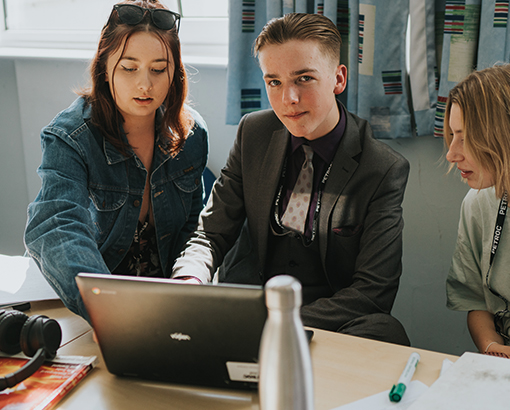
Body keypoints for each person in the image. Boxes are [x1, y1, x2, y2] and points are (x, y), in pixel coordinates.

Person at [173, 13, 410, 345]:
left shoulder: (382, 168)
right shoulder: (253, 133)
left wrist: (279, 323)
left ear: (338, 79)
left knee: (387, 332)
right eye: (274, 82)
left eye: (304, 79)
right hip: (249, 304)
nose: (289, 99)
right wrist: (189, 278)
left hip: (327, 320)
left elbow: (374, 290)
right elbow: (210, 233)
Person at [24, 0, 208, 322]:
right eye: (129, 67)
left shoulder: (191, 134)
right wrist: (111, 310)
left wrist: (186, 295)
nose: (145, 84)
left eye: (158, 68)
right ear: (104, 68)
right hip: (98, 307)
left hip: (168, 307)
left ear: (175, 73)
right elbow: (57, 226)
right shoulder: (70, 138)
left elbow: (191, 229)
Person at [445, 64, 510, 358]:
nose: (451, 153)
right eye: (452, 135)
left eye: (466, 137)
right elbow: (478, 304)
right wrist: (492, 348)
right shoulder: (478, 204)